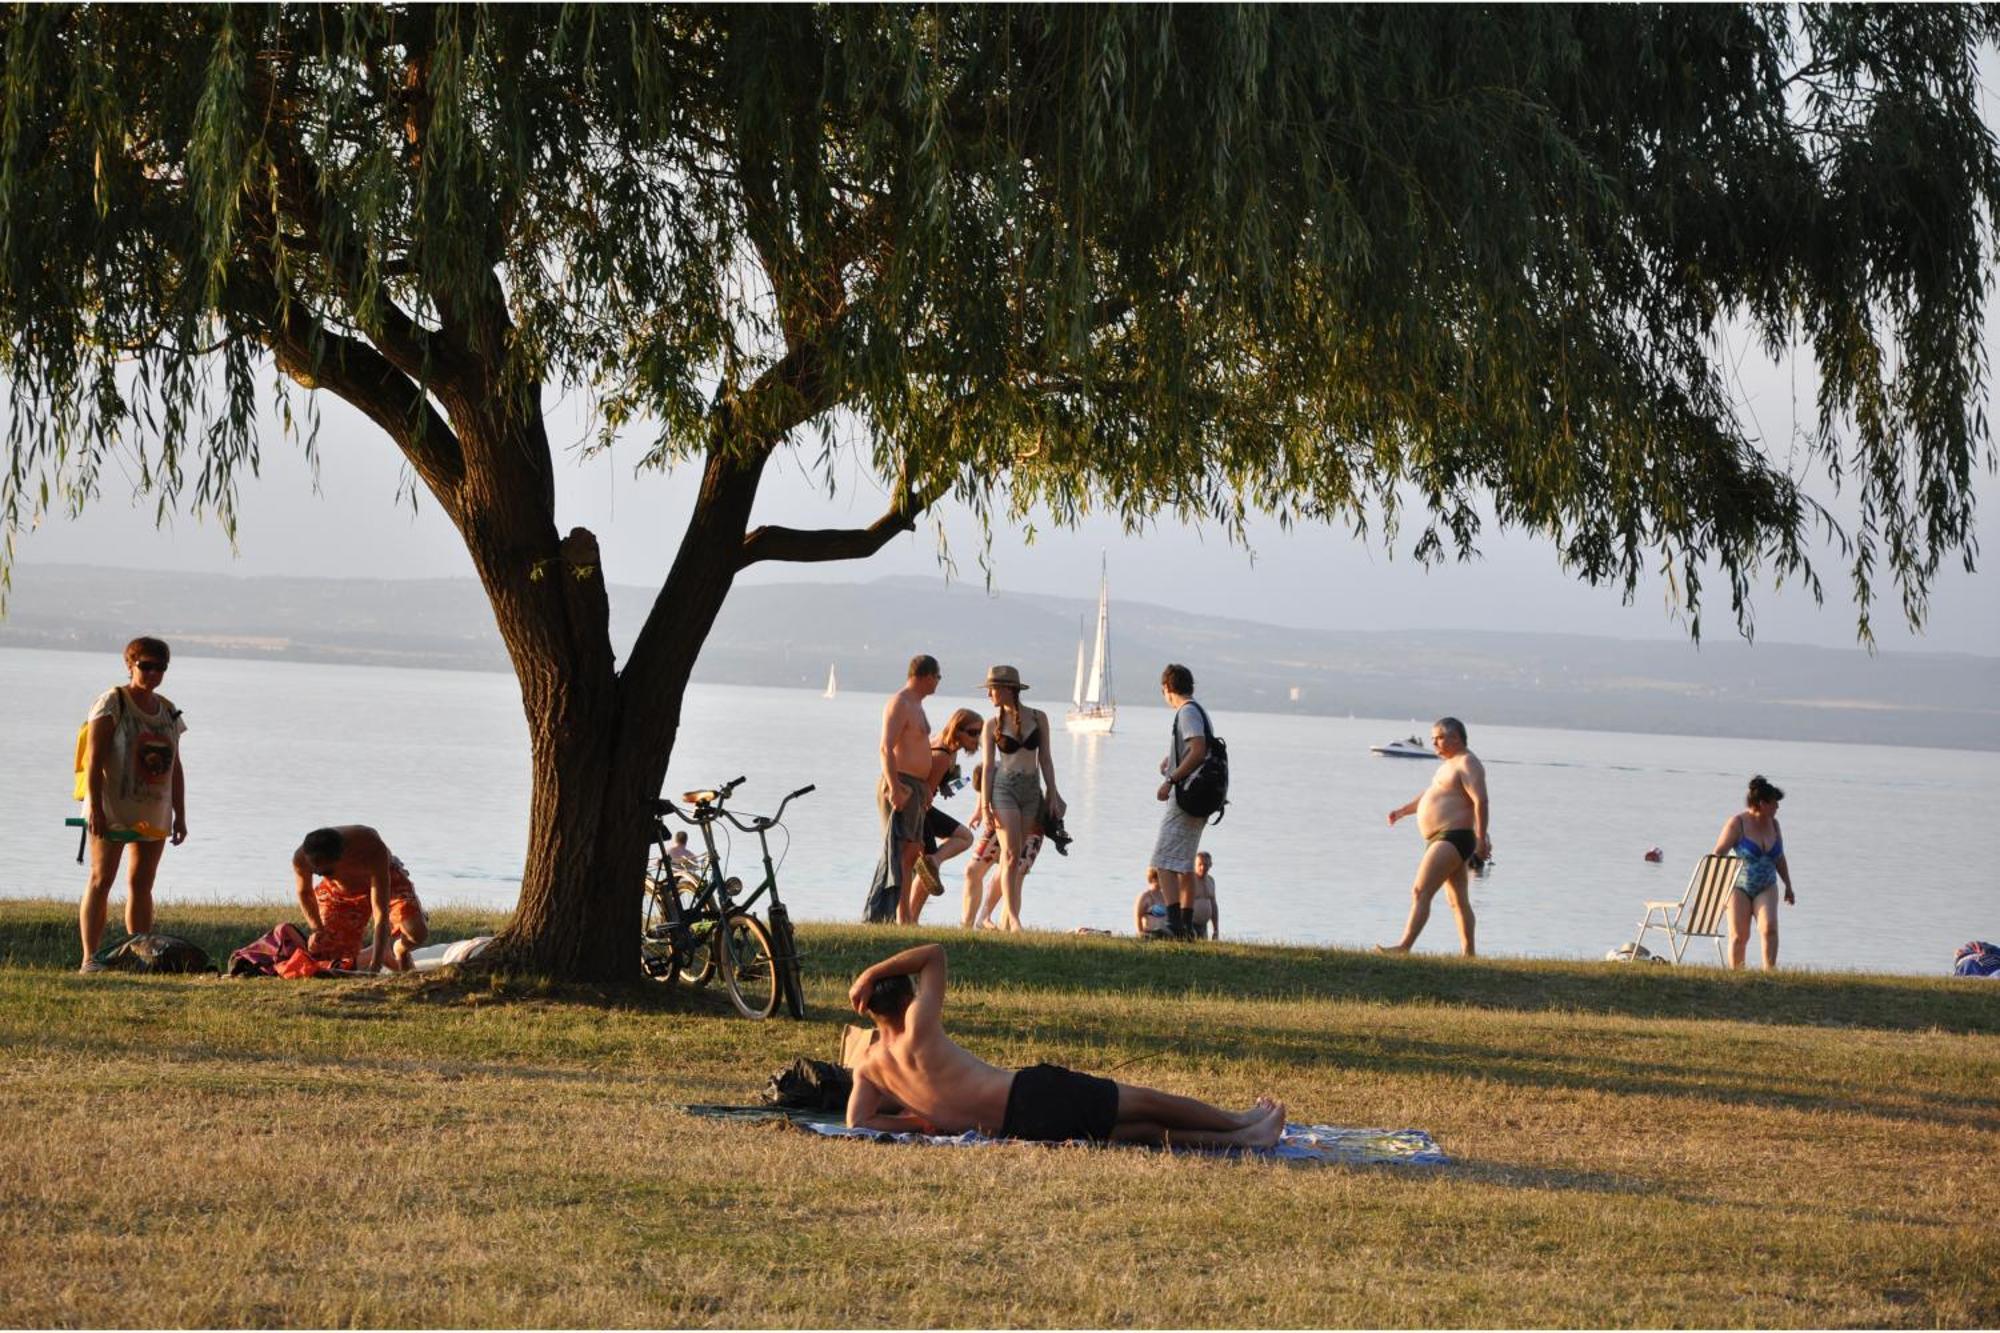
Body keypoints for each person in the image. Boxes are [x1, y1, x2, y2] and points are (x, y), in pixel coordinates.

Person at [846, 943, 1285, 1148]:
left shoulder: (868, 1065)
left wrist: (918, 1125)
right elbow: (935, 954)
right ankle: (1238, 1122)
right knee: (1146, 1102)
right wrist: (870, 972)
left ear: (869, 1010)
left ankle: (1243, 1141)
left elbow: (858, 1122)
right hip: (1031, 1094)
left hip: (1012, 1132)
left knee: (1143, 1134)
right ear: (907, 997)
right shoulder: (918, 1026)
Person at [77, 636, 189, 973]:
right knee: (101, 880)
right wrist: (95, 807)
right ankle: (90, 958)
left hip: (154, 808)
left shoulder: (168, 709)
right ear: (130, 664)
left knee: (142, 885)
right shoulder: (113, 701)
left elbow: (176, 766)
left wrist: (180, 814)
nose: (153, 673)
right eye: (146, 666)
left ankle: (140, 955)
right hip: (112, 806)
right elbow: (94, 760)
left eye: (161, 667)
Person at [1377, 717, 1490, 957]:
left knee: (1420, 891)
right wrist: (1402, 811)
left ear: (1456, 738)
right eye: (1433, 739)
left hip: (1453, 836)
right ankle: (1469, 954)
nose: (1434, 743)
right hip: (1445, 837)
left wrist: (1481, 837)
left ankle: (1403, 946)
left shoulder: (1468, 763)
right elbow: (1430, 796)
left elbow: (1480, 800)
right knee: (1457, 900)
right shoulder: (1448, 765)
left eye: (1439, 737)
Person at [972, 665, 1065, 931]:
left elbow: (1045, 759)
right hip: (1004, 789)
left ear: (1007, 689)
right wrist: (984, 806)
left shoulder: (1039, 718)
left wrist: (1053, 794)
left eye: (992, 688)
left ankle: (997, 915)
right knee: (1011, 854)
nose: (989, 693)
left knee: (1018, 854)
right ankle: (1012, 918)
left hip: (1031, 789)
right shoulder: (992, 724)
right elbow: (988, 767)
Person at [864, 654, 941, 923]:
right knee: (899, 852)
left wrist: (926, 787)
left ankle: (903, 915)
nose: (938, 683)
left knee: (912, 851)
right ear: (927, 675)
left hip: (916, 787)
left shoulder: (918, 705)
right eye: (938, 677)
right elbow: (886, 747)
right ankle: (896, 914)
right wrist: (895, 786)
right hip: (901, 784)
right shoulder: (901, 702)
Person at [292, 825, 430, 972]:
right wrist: (317, 929)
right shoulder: (301, 859)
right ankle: (382, 954)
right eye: (316, 872)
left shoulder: (371, 848)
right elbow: (305, 893)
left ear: (343, 855)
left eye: (327, 871)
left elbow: (380, 912)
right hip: (341, 892)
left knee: (417, 933)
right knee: (329, 950)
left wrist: (375, 966)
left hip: (385, 879)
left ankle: (400, 950)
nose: (321, 874)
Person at [1150, 663, 1213, 939]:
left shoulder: (1186, 712)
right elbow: (1196, 747)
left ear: (1167, 688)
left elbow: (1198, 750)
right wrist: (1172, 759)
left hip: (1186, 797)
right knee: (1185, 864)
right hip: (1201, 797)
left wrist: (1171, 779)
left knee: (1162, 861)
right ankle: (1186, 926)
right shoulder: (1198, 710)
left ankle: (1175, 924)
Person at [903, 708, 982, 924]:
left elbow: (929, 780)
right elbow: (925, 793)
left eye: (980, 733)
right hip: (919, 808)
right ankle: (911, 919)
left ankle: (911, 917)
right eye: (973, 733)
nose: (978, 739)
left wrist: (945, 785)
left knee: (964, 837)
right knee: (931, 865)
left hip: (921, 806)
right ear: (958, 730)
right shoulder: (943, 754)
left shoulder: (950, 748)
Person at [1712, 775, 1797, 970]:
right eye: (1775, 803)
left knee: (1769, 929)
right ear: (1762, 803)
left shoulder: (1774, 825)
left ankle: (1769, 973)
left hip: (1766, 885)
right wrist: (1715, 889)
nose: (1778, 807)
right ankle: (1737, 975)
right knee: (1739, 935)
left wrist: (1789, 886)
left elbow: (1779, 858)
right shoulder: (1737, 823)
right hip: (1738, 886)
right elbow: (1718, 854)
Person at [1190, 851, 1221, 940]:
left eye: (1206, 864)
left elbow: (1214, 906)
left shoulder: (1211, 881)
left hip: (1203, 927)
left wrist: (1216, 929)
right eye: (1200, 864)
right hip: (1190, 925)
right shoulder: (1189, 881)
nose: (1203, 867)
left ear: (1210, 865)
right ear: (1194, 864)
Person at [1134, 868, 1172, 937]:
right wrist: (1140, 933)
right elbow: (1138, 916)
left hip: (1164, 931)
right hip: (1150, 931)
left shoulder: (1165, 895)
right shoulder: (1145, 895)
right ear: (1154, 879)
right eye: (1163, 878)